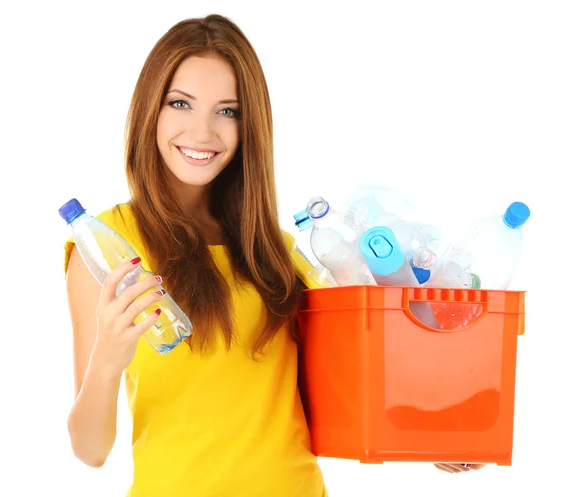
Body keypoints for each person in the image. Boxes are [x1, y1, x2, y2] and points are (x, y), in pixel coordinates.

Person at [63, 14, 484, 497]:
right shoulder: (106, 245)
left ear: (250, 127)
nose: (202, 132)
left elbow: (351, 377)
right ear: (149, 111)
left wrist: (434, 433)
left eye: (228, 111)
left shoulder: (276, 252)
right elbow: (88, 450)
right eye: (180, 103)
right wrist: (108, 360)